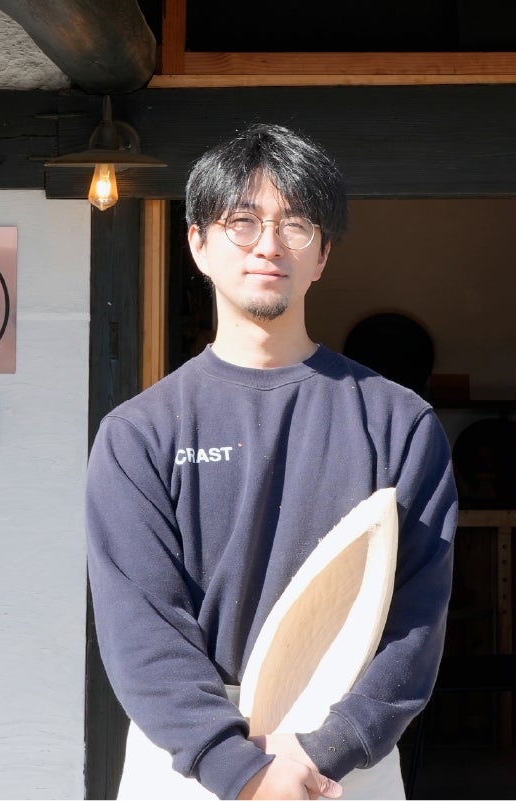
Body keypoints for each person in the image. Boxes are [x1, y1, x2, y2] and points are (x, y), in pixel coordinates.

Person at [85, 123, 457, 800]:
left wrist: (326, 750)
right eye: (242, 221)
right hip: (190, 756)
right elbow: (140, 629)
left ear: (322, 255)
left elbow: (417, 621)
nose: (268, 244)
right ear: (197, 243)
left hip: (346, 759)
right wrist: (240, 767)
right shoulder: (139, 433)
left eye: (296, 224)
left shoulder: (398, 422)